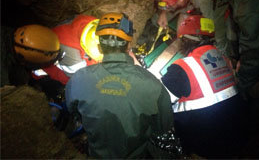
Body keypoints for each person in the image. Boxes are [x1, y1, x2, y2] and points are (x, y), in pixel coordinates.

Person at [65, 12, 181, 158]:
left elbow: (73, 110)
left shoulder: (78, 79)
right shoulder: (152, 85)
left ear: (99, 46)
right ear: (128, 45)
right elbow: (163, 126)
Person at [161, 14, 249, 158]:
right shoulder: (223, 58)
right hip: (235, 134)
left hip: (206, 144)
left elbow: (158, 103)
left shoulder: (182, 68)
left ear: (184, 40)